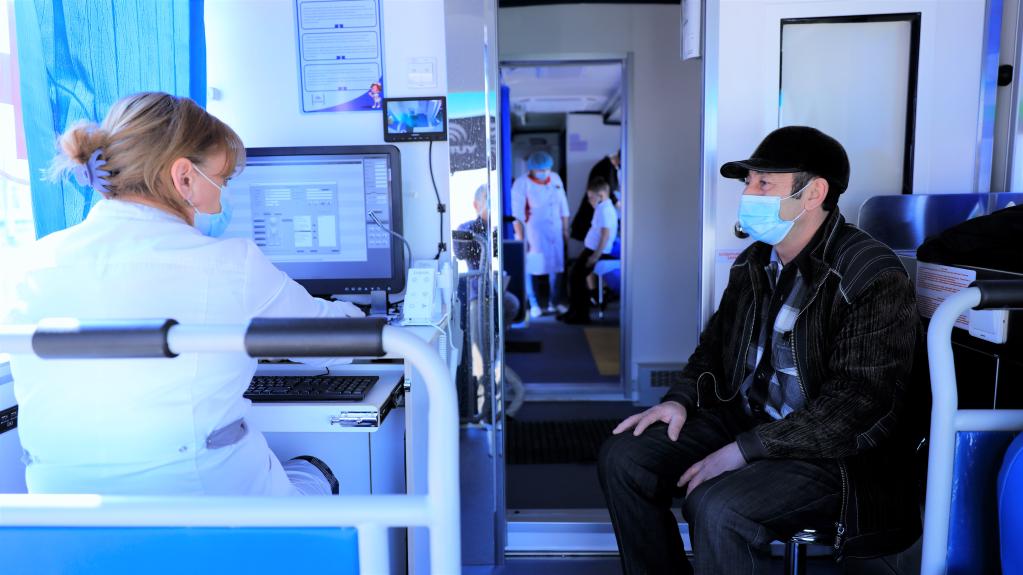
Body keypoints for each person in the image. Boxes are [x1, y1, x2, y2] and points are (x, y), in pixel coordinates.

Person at [0, 92, 363, 497]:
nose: (221, 199)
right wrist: (358, 316)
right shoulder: (231, 264)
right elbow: (337, 342)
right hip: (206, 513)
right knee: (312, 472)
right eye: (222, 180)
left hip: (66, 520)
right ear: (185, 177)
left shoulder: (31, 264)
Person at [598, 126, 923, 574]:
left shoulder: (871, 274)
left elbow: (856, 405)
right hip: (749, 420)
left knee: (717, 506)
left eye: (764, 183)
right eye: (748, 182)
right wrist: (679, 400)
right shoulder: (754, 262)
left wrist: (746, 449)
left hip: (834, 455)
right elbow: (713, 350)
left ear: (814, 193)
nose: (748, 193)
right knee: (624, 458)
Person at [453, 184, 525, 418]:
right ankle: (486, 411)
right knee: (481, 358)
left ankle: (497, 395)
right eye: (488, 200)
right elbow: (460, 252)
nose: (492, 205)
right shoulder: (467, 229)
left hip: (495, 293)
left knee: (512, 303)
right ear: (476, 205)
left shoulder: (496, 229)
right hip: (477, 295)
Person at [510, 150, 570, 318]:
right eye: (540, 170)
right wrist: (521, 239)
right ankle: (534, 303)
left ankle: (553, 302)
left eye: (547, 169)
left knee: (556, 267)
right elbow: (517, 215)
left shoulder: (555, 178)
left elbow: (563, 206)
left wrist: (565, 230)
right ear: (532, 169)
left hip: (555, 231)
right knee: (532, 268)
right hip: (533, 233)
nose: (544, 172)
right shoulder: (521, 183)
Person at [558, 177, 618, 325]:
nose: (589, 201)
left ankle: (580, 315)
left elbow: (605, 234)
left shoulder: (606, 210)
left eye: (591, 197)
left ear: (601, 195)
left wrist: (595, 256)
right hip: (591, 250)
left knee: (576, 278)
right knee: (575, 278)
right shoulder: (602, 208)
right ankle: (574, 311)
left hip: (595, 252)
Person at [570, 149, 620, 242]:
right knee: (593, 238)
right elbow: (607, 190)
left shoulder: (611, 167)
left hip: (598, 207)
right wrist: (617, 203)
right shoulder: (605, 167)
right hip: (592, 210)